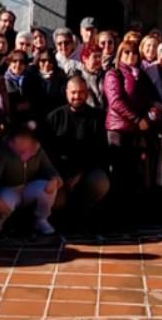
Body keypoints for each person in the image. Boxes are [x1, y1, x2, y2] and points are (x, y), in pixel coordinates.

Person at [103, 41, 162, 212]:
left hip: (138, 131)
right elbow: (116, 102)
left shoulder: (141, 75)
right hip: (119, 129)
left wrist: (149, 117)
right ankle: (115, 213)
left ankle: (131, 211)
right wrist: (138, 120)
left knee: (133, 172)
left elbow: (154, 99)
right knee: (117, 172)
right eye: (126, 53)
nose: (131, 56)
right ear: (120, 54)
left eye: (134, 53)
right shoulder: (114, 74)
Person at [43, 75, 111, 227]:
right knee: (56, 199)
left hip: (86, 171)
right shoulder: (54, 117)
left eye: (81, 92)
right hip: (58, 173)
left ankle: (82, 216)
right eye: (73, 92)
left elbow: (99, 151)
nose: (77, 96)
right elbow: (47, 153)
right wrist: (60, 176)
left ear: (87, 93)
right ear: (66, 92)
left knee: (100, 182)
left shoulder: (98, 118)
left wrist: (78, 175)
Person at [0, 124, 62, 236]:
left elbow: (50, 169)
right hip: (10, 188)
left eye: (26, 138)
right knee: (4, 203)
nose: (22, 141)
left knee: (47, 189)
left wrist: (54, 180)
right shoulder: (4, 152)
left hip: (29, 187)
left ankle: (41, 220)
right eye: (19, 137)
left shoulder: (38, 150)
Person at [78, 44, 105, 108]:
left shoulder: (105, 75)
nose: (99, 60)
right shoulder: (78, 77)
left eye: (100, 56)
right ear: (85, 59)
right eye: (95, 57)